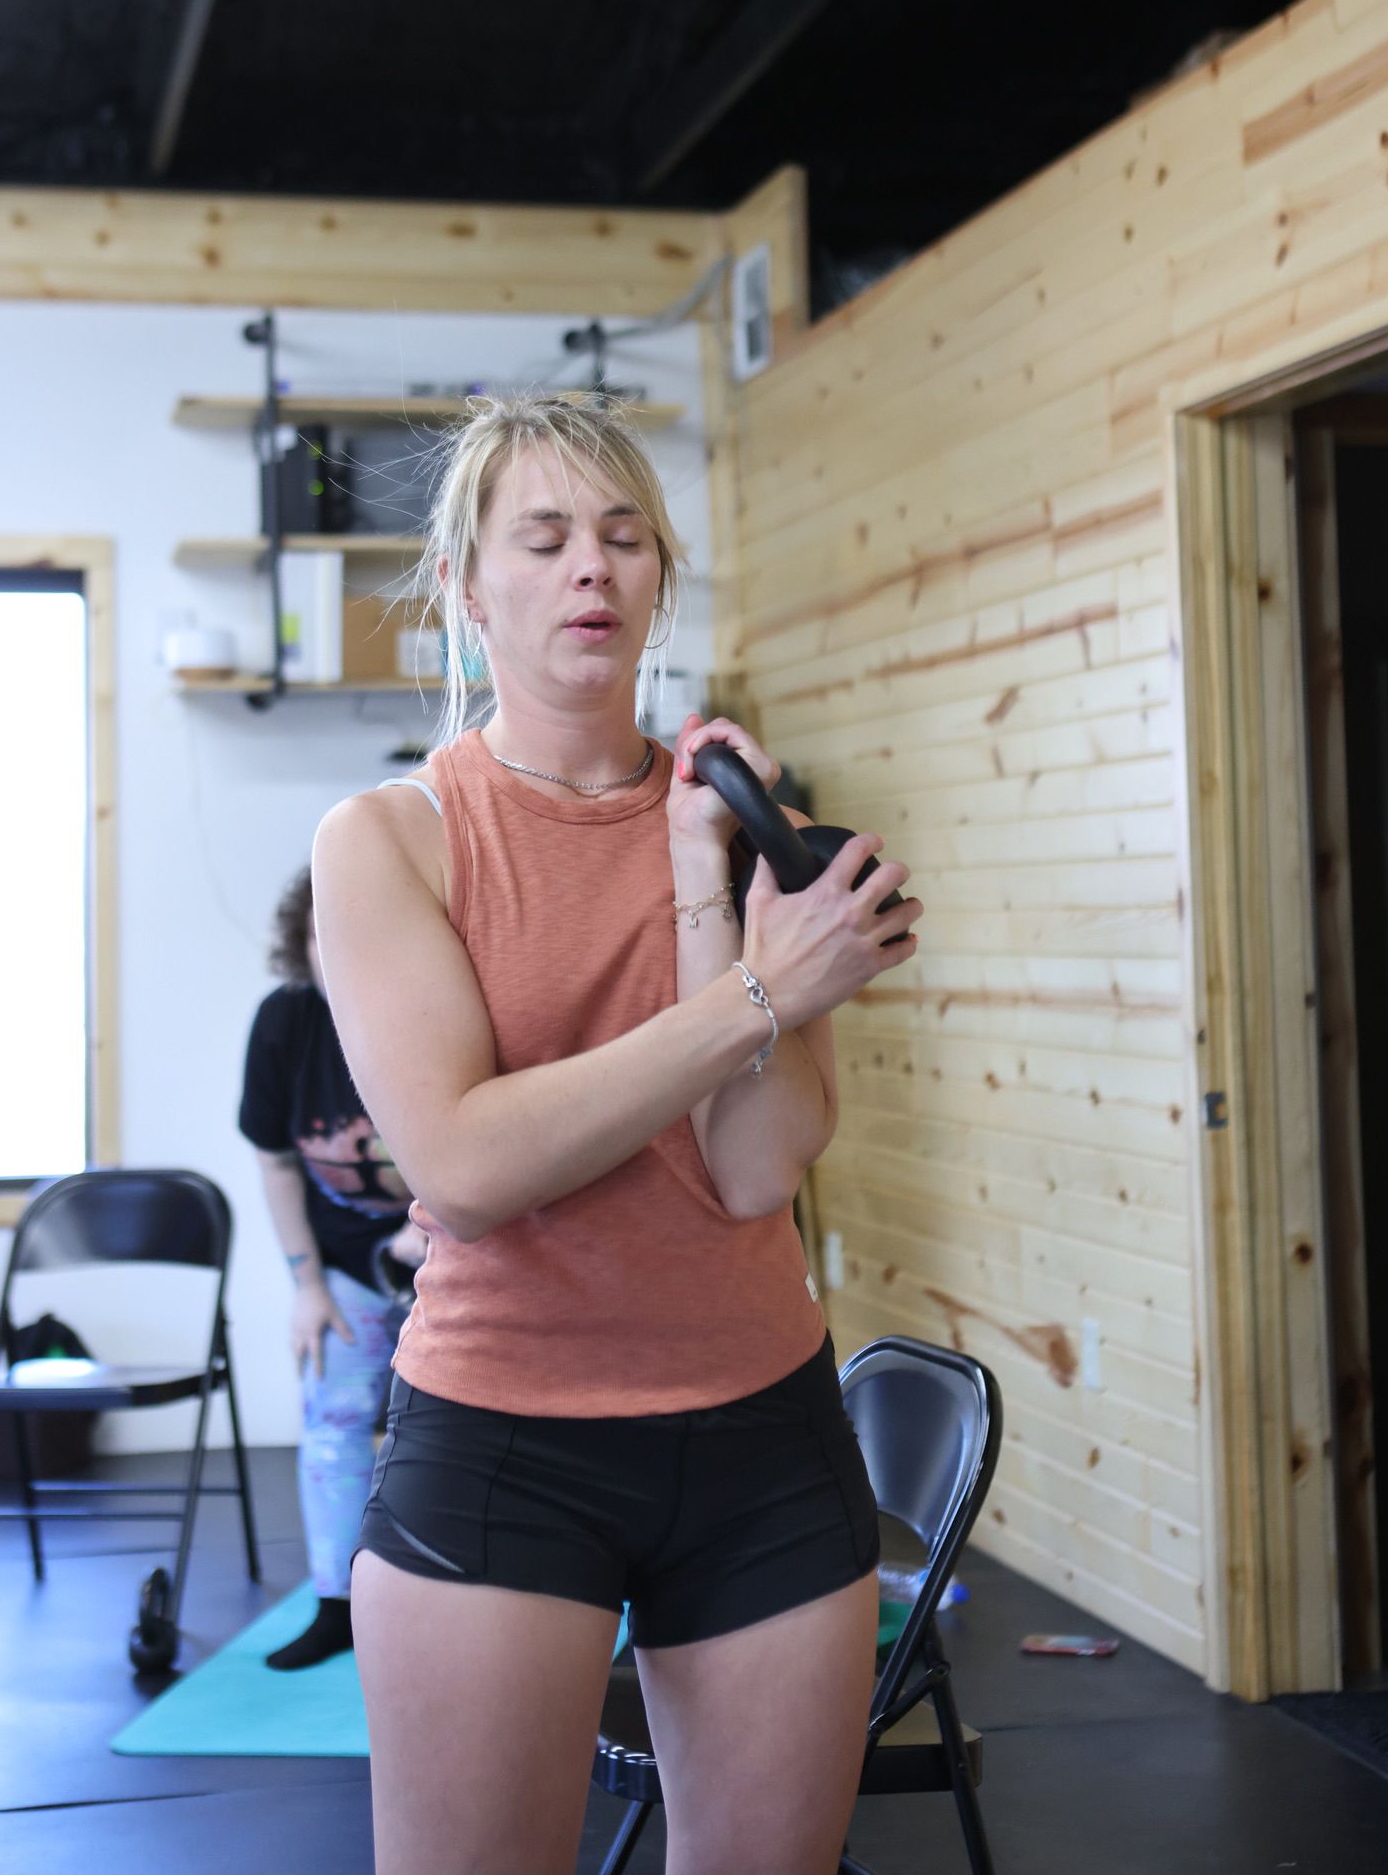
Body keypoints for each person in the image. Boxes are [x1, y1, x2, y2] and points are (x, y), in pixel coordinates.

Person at [311, 395, 922, 1875]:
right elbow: (461, 1167)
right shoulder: (387, 838)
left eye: (624, 535)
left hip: (764, 1429)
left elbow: (756, 1168)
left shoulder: (738, 816)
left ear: (657, 578)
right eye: (545, 536)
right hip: (505, 1444)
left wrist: (713, 874)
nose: (592, 566)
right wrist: (765, 992)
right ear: (469, 584)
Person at [238, 867, 427, 1670]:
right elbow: (277, 1163)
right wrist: (307, 1286)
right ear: (301, 943)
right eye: (322, 934)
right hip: (347, 1264)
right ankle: (335, 1602)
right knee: (336, 1417)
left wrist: (437, 1238)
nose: (337, 951)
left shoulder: (430, 1012)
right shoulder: (286, 1023)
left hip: (456, 1249)